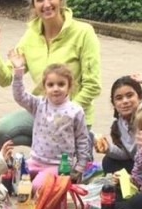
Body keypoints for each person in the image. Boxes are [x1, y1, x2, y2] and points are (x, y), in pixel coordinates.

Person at [0, 0, 101, 148]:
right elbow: (6, 78)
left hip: (74, 116)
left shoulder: (83, 32)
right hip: (41, 111)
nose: (46, 4)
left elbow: (92, 85)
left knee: (60, 161)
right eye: (40, 0)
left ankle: (84, 140)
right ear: (34, 6)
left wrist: (65, 112)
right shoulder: (31, 35)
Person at [9, 55, 91, 187]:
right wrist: (18, 71)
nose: (56, 88)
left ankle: (52, 187)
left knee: (36, 187)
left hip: (59, 165)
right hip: (35, 161)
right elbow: (20, 96)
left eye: (61, 84)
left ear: (69, 86)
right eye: (51, 85)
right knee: (13, 179)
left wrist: (80, 166)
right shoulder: (39, 104)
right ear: (44, 87)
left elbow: (82, 139)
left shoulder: (75, 111)